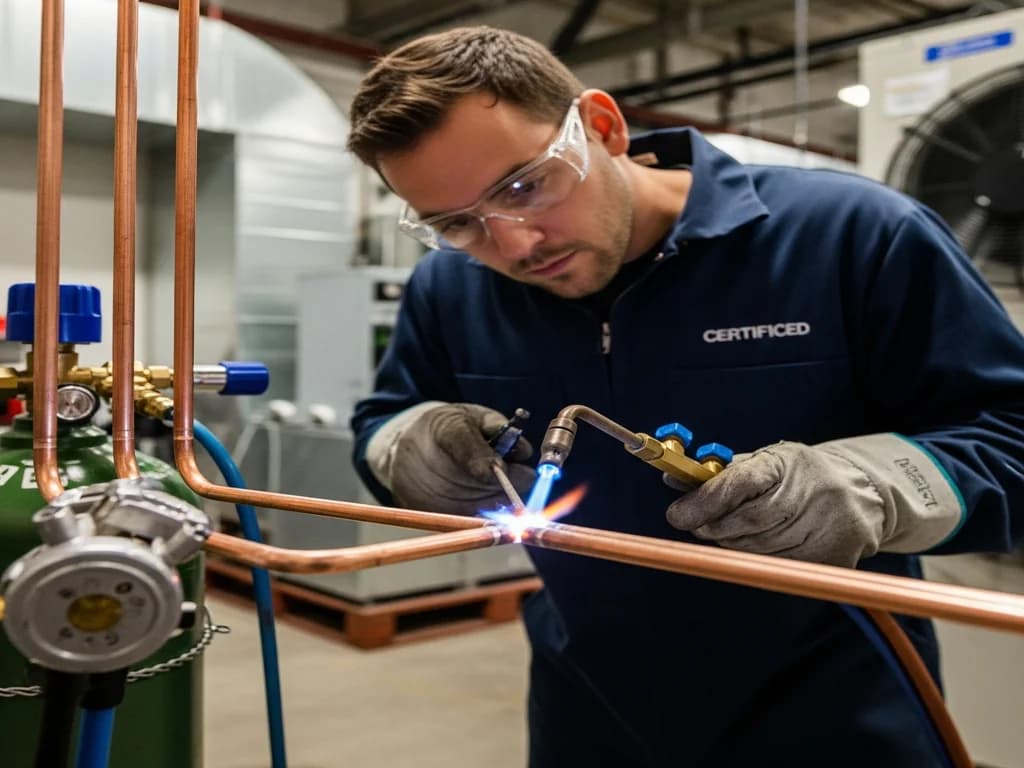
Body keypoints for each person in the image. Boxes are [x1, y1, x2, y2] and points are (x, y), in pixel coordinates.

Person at [346, 25, 1024, 767]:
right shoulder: (450, 287)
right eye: (456, 223)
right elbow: (385, 416)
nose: (512, 246)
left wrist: (875, 486)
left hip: (837, 708)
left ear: (602, 128)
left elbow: (1009, 434)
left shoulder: (850, 235)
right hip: (590, 712)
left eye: (524, 186)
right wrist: (407, 446)